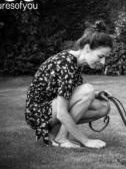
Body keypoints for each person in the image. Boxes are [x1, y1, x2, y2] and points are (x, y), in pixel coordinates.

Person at [25, 20, 113, 149]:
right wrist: (86, 141)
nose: (103, 62)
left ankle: (56, 133)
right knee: (87, 90)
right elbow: (61, 112)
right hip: (38, 112)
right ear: (87, 48)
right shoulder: (66, 63)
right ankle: (61, 138)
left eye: (105, 57)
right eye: (100, 56)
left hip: (51, 107)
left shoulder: (75, 63)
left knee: (103, 107)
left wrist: (96, 94)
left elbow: (68, 93)